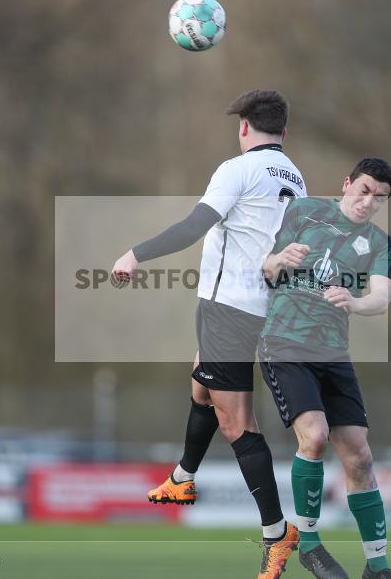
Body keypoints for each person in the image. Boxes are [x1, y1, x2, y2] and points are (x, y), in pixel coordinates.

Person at [112, 90, 307, 578]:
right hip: (263, 307)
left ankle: (275, 532)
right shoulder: (295, 177)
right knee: (201, 384)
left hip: (229, 308)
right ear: (283, 131)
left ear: (244, 128)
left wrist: (135, 254)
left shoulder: (235, 169)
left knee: (238, 423)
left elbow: (196, 225)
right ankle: (183, 476)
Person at [258, 158, 391, 579]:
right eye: (365, 190)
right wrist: (280, 258)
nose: (369, 202)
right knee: (315, 436)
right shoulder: (303, 212)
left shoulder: (380, 243)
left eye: (380, 197)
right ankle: (310, 544)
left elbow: (381, 297)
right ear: (347, 183)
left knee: (359, 456)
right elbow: (265, 269)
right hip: (284, 343)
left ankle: (378, 566)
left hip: (333, 354)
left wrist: (354, 302)